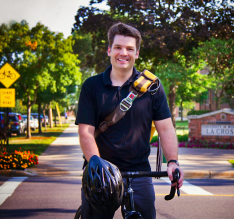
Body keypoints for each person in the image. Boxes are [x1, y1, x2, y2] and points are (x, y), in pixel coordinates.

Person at [75, 22, 184, 219]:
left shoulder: (152, 88)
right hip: (100, 173)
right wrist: (96, 165)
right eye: (118, 47)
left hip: (139, 173)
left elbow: (166, 129)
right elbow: (86, 132)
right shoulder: (91, 86)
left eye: (129, 49)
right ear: (109, 50)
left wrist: (173, 162)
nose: (123, 53)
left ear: (137, 53)